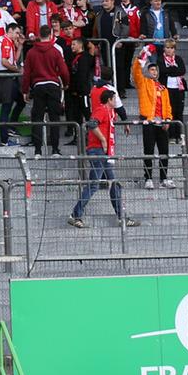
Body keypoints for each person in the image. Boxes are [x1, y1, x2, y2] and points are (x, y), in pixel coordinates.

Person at [69, 81, 138, 228]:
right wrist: (102, 139)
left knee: (113, 183)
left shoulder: (107, 112)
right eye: (114, 98)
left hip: (102, 152)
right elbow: (92, 124)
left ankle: (121, 216)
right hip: (97, 150)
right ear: (109, 100)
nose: (116, 101)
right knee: (94, 185)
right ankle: (75, 214)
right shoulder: (101, 110)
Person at [21, 25, 69, 156]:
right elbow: (64, 71)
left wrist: (25, 90)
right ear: (51, 35)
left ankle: (37, 150)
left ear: (39, 35)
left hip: (38, 86)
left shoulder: (31, 52)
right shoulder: (55, 51)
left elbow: (27, 73)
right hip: (53, 85)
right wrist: (65, 84)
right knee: (55, 118)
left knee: (37, 118)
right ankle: (55, 149)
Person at [133, 57, 174, 189]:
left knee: (164, 152)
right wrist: (140, 59)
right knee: (149, 151)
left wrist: (168, 119)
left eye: (155, 70)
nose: (154, 72)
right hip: (149, 122)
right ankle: (148, 178)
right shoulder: (143, 82)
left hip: (162, 123)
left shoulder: (163, 88)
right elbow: (136, 72)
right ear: (147, 71)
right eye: (151, 70)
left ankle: (164, 178)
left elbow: (168, 107)